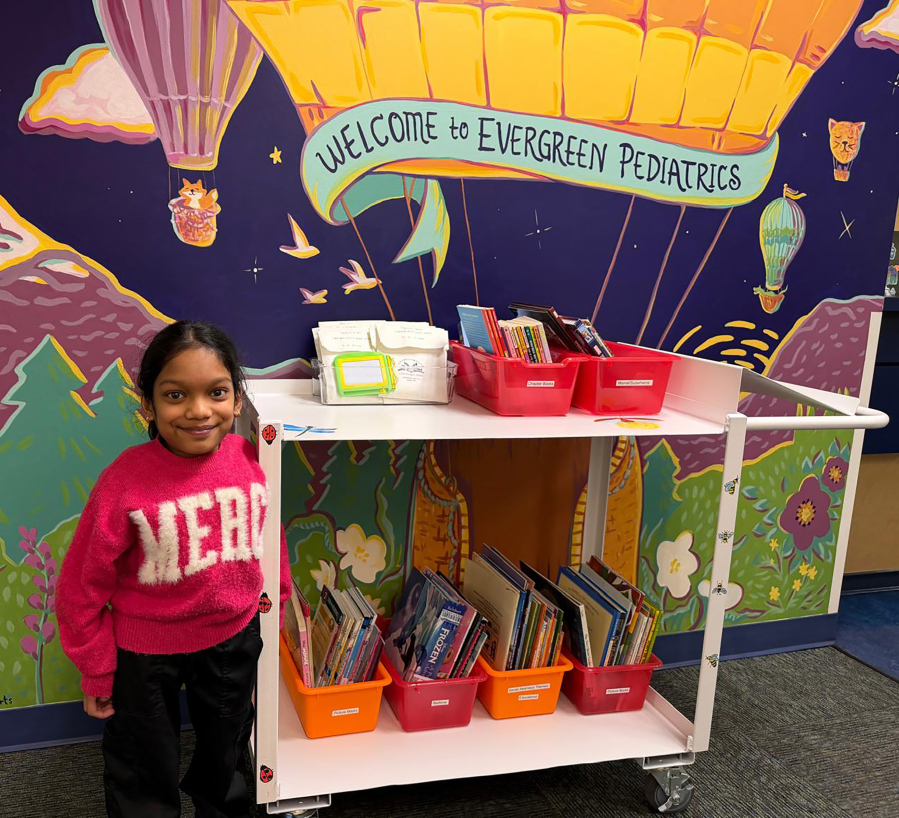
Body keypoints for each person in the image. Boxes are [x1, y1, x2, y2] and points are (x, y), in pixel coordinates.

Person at [56, 320, 291, 818]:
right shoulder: (124, 481)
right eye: (177, 394)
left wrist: (277, 603)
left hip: (230, 641)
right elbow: (82, 586)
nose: (200, 410)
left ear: (236, 398)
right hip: (143, 654)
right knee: (142, 766)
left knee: (226, 755)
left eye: (218, 392)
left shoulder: (251, 459)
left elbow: (266, 538)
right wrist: (97, 670)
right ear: (149, 404)